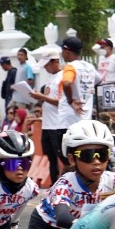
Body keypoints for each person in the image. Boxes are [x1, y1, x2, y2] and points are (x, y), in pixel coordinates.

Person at [29, 48, 66, 185]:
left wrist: (42, 97)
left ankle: (64, 184)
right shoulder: (51, 79)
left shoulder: (63, 78)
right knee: (50, 157)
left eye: (47, 65)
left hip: (57, 124)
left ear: (55, 61)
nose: (45, 68)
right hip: (47, 124)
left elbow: (62, 102)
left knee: (61, 158)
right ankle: (54, 185)